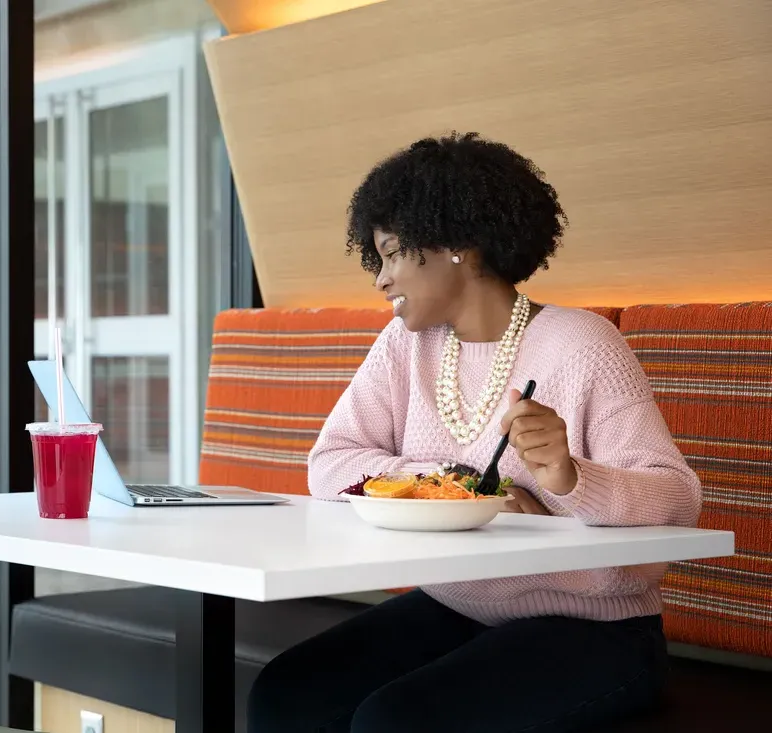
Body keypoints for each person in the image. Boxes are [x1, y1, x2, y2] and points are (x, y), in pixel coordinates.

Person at [246, 133, 701, 733]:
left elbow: (678, 502)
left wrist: (571, 479)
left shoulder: (584, 345)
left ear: (457, 245)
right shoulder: (407, 345)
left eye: (392, 255)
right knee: (285, 693)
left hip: (596, 629)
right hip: (458, 603)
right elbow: (332, 462)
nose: (381, 279)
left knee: (394, 722)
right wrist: (452, 491)